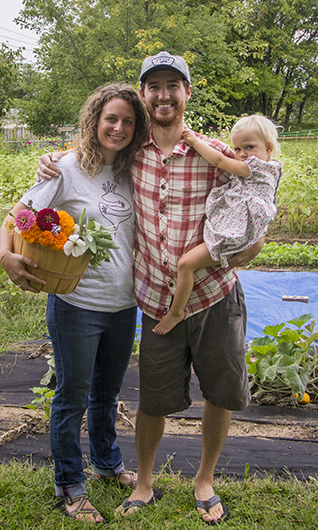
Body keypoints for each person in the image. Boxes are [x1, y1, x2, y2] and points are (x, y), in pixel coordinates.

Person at [36, 52, 264, 524]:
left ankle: (205, 480)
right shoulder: (128, 156)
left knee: (220, 393)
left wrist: (256, 244)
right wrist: (52, 160)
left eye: (172, 86)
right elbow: (84, 160)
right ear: (145, 95)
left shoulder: (213, 151)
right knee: (154, 398)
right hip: (158, 300)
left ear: (187, 93)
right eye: (154, 86)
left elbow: (258, 192)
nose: (163, 95)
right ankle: (142, 481)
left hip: (214, 294)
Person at [0, 83, 150, 524]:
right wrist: (6, 254)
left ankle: (107, 463)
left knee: (106, 394)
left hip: (124, 305)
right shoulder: (64, 168)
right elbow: (18, 215)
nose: (118, 128)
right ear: (95, 120)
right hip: (77, 305)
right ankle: (70, 484)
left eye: (127, 121)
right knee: (72, 397)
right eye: (111, 119)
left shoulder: (134, 169)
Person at [152, 115, 281, 335]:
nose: (241, 154)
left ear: (268, 148)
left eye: (249, 147)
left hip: (234, 234)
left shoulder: (255, 168)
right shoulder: (273, 168)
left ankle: (176, 312)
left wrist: (194, 142)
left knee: (186, 265)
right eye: (238, 148)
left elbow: (221, 162)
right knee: (189, 264)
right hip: (238, 231)